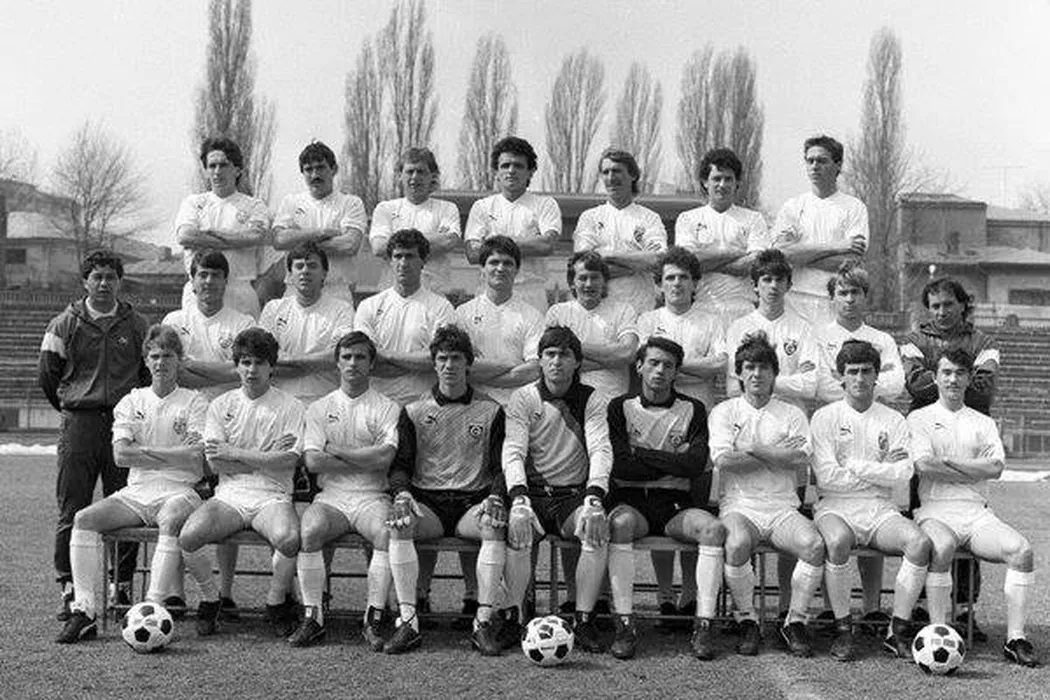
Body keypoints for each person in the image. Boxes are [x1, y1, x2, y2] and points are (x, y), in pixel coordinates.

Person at [55, 325, 209, 643]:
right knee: (83, 519)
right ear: (146, 360)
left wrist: (145, 451)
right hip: (138, 491)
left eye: (168, 356)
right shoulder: (131, 400)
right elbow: (121, 456)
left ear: (179, 360)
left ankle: (151, 608)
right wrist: (170, 454)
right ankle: (84, 612)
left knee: (170, 520)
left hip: (180, 490)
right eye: (155, 356)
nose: (161, 362)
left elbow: (195, 456)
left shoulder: (195, 402)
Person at [909, 348, 1038, 668]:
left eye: (960, 373)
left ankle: (1015, 638)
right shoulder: (919, 418)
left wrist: (948, 461)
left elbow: (995, 468)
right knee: (942, 547)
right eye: (947, 372)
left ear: (969, 379)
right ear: (935, 377)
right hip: (935, 509)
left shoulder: (983, 422)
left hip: (976, 512)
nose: (953, 379)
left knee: (1021, 551)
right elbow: (924, 466)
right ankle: (938, 632)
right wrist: (972, 468)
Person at [39, 251, 150, 622]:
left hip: (122, 426)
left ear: (120, 281)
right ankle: (70, 589)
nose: (104, 283)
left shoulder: (137, 325)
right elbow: (48, 375)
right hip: (80, 424)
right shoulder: (63, 324)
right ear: (84, 281)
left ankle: (121, 585)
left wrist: (131, 413)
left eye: (110, 277)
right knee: (72, 508)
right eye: (97, 277)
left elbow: (146, 375)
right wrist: (73, 406)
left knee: (127, 509)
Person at [385, 325, 508, 655]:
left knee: (494, 524)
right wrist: (401, 493)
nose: (449, 365)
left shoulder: (491, 409)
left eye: (456, 358)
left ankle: (483, 622)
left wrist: (496, 496)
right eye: (442, 358)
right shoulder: (413, 409)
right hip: (429, 503)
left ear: (469, 363)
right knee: (400, 523)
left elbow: (501, 467)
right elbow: (400, 465)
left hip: (472, 502)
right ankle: (408, 621)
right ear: (434, 363)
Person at [178, 328, 304, 638]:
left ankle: (275, 602)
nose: (252, 370)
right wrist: (266, 455)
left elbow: (288, 461)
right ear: (236, 366)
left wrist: (234, 452)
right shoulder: (220, 405)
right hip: (230, 495)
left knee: (289, 539)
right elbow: (215, 463)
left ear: (272, 366)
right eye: (245, 362)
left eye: (259, 362)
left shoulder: (291, 406)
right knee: (189, 537)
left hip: (273, 494)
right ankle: (212, 600)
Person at [810, 340, 931, 661]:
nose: (860, 378)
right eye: (853, 372)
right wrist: (880, 470)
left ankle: (897, 631)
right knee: (837, 542)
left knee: (918, 543)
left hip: (880, 508)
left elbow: (903, 473)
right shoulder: (824, 417)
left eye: (866, 371)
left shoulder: (893, 419)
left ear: (877, 375)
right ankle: (843, 630)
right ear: (841, 376)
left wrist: (854, 466)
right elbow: (826, 478)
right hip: (835, 505)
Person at [605, 337, 725, 660]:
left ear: (676, 373)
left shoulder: (693, 409)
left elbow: (695, 464)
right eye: (653, 363)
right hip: (631, 500)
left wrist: (640, 454)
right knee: (619, 525)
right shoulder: (619, 407)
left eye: (668, 366)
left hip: (675, 502)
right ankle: (625, 623)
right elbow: (620, 465)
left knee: (713, 530)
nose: (660, 370)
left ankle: (703, 624)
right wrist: (673, 460)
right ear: (639, 366)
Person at [708, 333, 824, 657]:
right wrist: (774, 452)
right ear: (739, 373)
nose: (757, 374)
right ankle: (747, 619)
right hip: (740, 506)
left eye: (764, 368)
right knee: (736, 544)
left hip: (782, 507)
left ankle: (794, 621)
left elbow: (799, 459)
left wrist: (751, 448)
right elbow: (724, 461)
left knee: (814, 545)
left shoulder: (792, 413)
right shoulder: (724, 411)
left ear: (774, 373)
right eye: (749, 367)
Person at [502, 326, 612, 653]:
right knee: (517, 529)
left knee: (595, 528)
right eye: (549, 354)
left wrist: (594, 498)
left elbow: (601, 449)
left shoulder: (592, 398)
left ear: (577, 362)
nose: (556, 361)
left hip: (572, 496)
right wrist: (518, 499)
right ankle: (513, 618)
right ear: (539, 360)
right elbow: (513, 451)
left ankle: (583, 618)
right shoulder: (523, 397)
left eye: (564, 355)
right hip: (534, 494)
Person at [287, 331, 401, 649]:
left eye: (360, 357)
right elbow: (313, 461)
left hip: (372, 497)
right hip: (332, 498)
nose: (353, 363)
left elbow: (385, 459)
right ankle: (313, 617)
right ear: (337, 362)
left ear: (371, 363)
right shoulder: (319, 408)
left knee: (386, 533)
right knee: (309, 530)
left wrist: (336, 450)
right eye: (347, 357)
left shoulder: (388, 407)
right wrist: (365, 458)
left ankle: (373, 618)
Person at [900, 277, 999, 637]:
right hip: (926, 435)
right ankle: (922, 606)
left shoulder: (984, 342)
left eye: (948, 304)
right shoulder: (914, 340)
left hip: (969, 436)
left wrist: (940, 378)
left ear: (962, 304)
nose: (941, 312)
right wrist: (960, 378)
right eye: (934, 306)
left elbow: (983, 390)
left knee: (970, 521)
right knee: (926, 528)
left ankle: (963, 610)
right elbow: (914, 385)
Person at [634, 246, 726, 625]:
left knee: (693, 511)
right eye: (669, 277)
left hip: (697, 422)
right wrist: (682, 370)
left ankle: (689, 593)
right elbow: (642, 367)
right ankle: (664, 595)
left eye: (683, 277)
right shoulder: (647, 319)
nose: (676, 284)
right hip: (655, 422)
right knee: (659, 504)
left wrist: (671, 369)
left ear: (695, 283)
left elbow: (718, 364)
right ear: (659, 284)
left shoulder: (712, 320)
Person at [162, 249, 253, 621]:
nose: (209, 281)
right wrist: (221, 371)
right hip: (184, 423)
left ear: (226, 281)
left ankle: (225, 592)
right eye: (202, 274)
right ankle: (176, 593)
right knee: (180, 504)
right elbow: (174, 373)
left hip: (231, 423)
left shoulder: (243, 322)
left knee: (227, 504)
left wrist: (195, 368)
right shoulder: (174, 321)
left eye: (216, 275)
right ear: (192, 279)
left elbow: (242, 372)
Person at [813, 261, 906, 627]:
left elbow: (896, 385)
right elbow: (820, 385)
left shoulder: (882, 340)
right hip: (834, 423)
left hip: (875, 423)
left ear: (866, 297)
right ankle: (831, 608)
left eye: (856, 292)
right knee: (835, 530)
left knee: (877, 510)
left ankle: (871, 607)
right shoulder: (819, 334)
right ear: (832, 298)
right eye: (843, 292)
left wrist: (860, 387)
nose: (849, 299)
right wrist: (857, 388)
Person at [770, 135, 868, 325]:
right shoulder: (792, 207)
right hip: (794, 300)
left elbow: (850, 260)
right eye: (810, 161)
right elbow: (781, 255)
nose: (814, 166)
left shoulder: (854, 207)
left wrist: (800, 254)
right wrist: (836, 246)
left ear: (838, 165)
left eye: (822, 161)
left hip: (834, 301)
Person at [354, 228, 456, 406]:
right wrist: (414, 364)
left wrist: (387, 355)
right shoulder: (368, 306)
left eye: (410, 256)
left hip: (423, 405)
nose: (403, 263)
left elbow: (437, 360)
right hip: (376, 405)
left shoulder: (442, 307)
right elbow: (365, 358)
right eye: (398, 256)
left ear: (423, 261)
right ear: (390, 261)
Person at [175, 137, 272, 318]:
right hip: (200, 291)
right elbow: (185, 236)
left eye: (223, 165)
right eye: (212, 166)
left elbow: (255, 237)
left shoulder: (254, 205)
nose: (217, 172)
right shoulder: (193, 203)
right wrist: (238, 240)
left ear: (237, 170)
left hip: (239, 291)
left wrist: (211, 236)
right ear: (206, 171)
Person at [465, 136, 561, 312]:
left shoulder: (545, 204)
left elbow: (547, 245)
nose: (511, 171)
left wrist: (492, 243)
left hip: (531, 295)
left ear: (530, 171)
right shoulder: (482, 207)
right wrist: (529, 242)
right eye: (505, 165)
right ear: (496, 171)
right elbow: (472, 253)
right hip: (489, 294)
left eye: (518, 165)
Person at [674, 147, 767, 327]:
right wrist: (735, 253)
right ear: (705, 182)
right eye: (716, 178)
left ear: (737, 182)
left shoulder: (753, 219)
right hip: (702, 309)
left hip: (743, 310)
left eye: (728, 179)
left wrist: (707, 261)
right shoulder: (688, 219)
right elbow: (688, 264)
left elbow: (755, 264)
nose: (722, 185)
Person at [572, 148, 667, 316]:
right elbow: (585, 267)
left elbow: (658, 260)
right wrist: (636, 265)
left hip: (639, 311)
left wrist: (607, 255)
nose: (610, 178)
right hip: (598, 313)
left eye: (616, 171)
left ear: (633, 175)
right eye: (605, 172)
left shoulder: (649, 218)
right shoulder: (590, 218)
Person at [259, 242, 356, 406]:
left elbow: (337, 358)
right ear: (290, 275)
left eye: (312, 266)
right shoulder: (273, 309)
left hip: (325, 400)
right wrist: (316, 363)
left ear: (324, 273)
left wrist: (287, 360)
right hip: (279, 401)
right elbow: (263, 359)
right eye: (299, 266)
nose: (305, 271)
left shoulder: (342, 309)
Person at [273, 141, 367, 305]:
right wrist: (320, 233)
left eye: (320, 167)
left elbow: (349, 245)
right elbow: (279, 240)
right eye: (308, 169)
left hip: (336, 291)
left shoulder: (351, 203)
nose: (315, 175)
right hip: (295, 292)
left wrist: (297, 241)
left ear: (334, 169)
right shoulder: (291, 202)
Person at [725, 249, 817, 412]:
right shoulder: (738, 328)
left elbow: (810, 386)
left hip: (790, 413)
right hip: (749, 414)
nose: (773, 286)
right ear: (755, 285)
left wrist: (755, 381)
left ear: (788, 285)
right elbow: (733, 387)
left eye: (779, 280)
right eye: (767, 280)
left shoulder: (804, 328)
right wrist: (791, 380)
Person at [455, 235, 543, 406]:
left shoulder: (533, 316)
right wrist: (511, 365)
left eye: (508, 263)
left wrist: (485, 373)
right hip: (474, 405)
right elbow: (460, 366)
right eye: (494, 262)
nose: (500, 268)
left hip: (518, 406)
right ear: (482, 268)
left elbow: (533, 370)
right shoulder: (463, 313)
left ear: (517, 270)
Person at [545, 251, 639, 400]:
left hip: (612, 401)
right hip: (569, 401)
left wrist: (572, 347)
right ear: (572, 283)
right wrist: (612, 360)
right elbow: (553, 362)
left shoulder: (624, 310)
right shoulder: (557, 313)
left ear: (604, 281)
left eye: (595, 277)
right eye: (583, 278)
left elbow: (627, 353)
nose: (589, 284)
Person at [370, 148, 462, 295]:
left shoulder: (447, 208)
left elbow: (448, 242)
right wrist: (432, 239)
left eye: (421, 171)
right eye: (410, 171)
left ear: (432, 176)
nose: (415, 177)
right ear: (400, 176)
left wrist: (396, 240)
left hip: (434, 294)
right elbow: (379, 247)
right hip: (392, 295)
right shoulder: (385, 208)